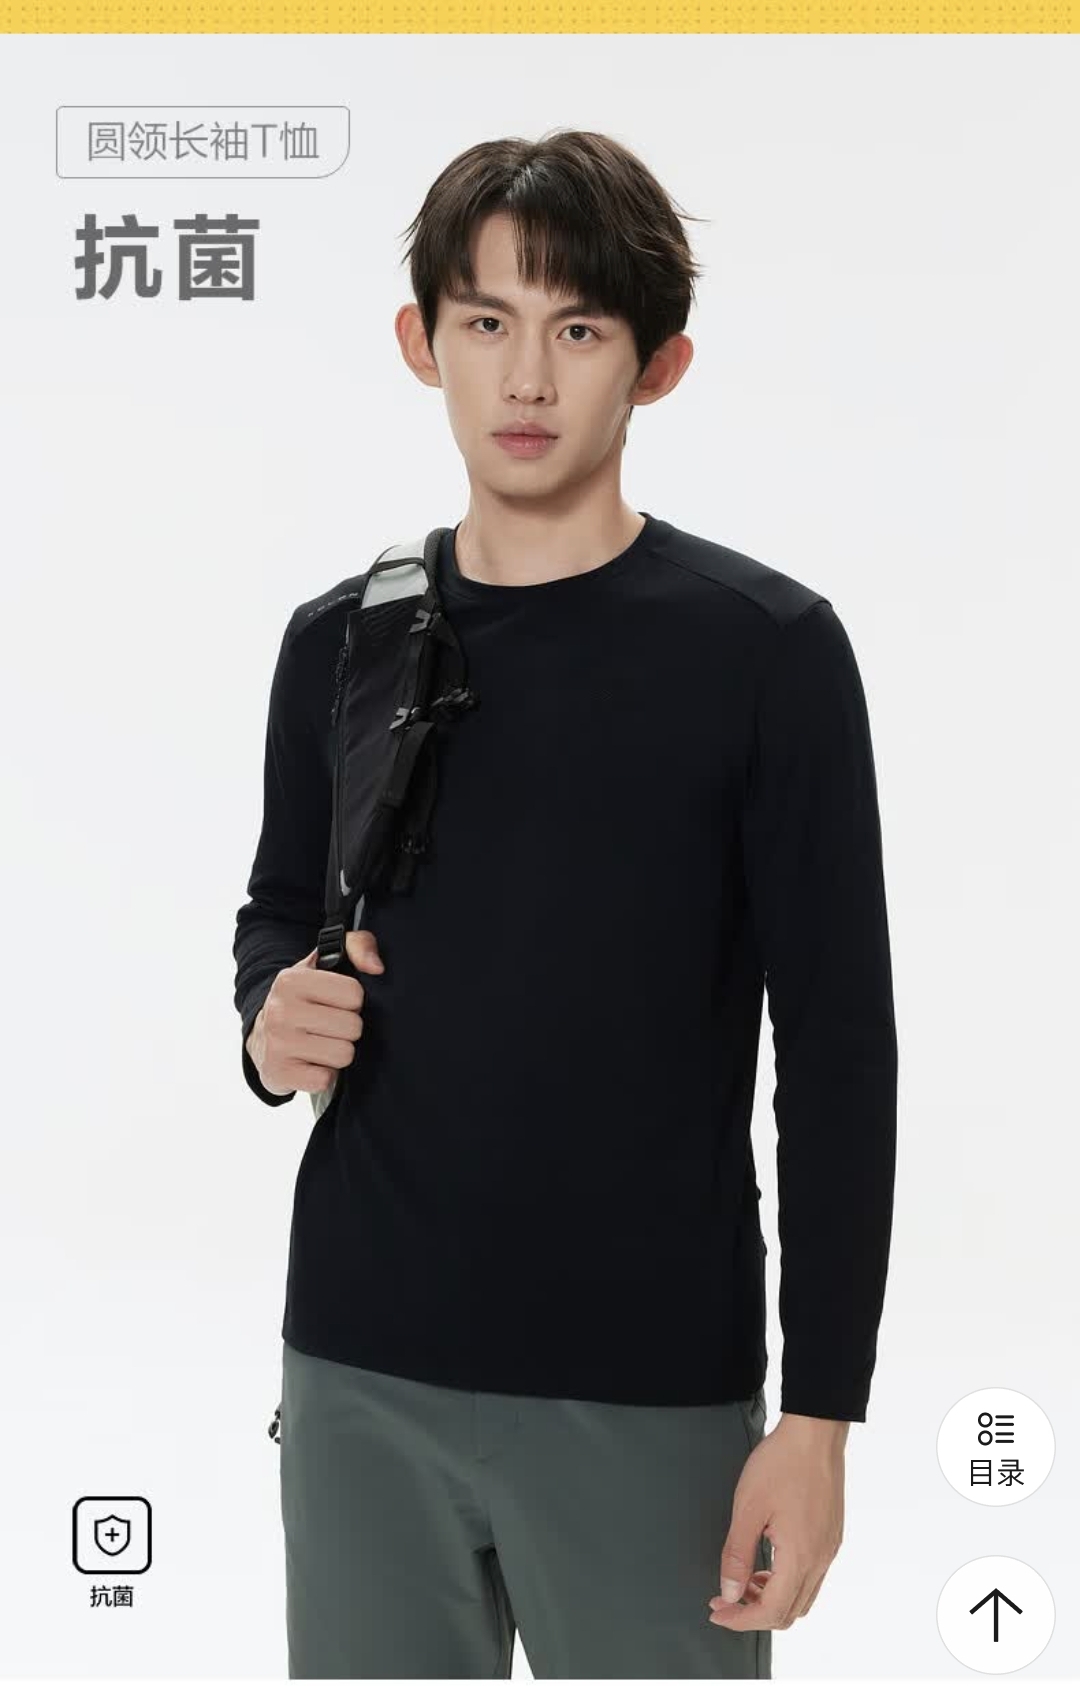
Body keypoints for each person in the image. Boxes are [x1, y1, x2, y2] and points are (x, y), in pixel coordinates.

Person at [233, 127, 898, 1681]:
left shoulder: (766, 654)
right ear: (423, 343)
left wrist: (819, 1417)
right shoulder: (341, 641)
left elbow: (839, 1055)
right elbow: (277, 907)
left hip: (647, 1388)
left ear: (657, 367)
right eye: (487, 321)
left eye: (579, 329)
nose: (526, 378)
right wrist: (270, 1015)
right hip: (357, 1367)